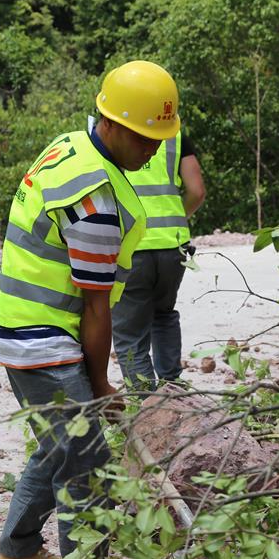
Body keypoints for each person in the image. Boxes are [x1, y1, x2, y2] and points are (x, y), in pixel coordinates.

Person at [0, 61, 182, 559]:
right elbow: (98, 311)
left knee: (61, 443)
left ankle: (19, 549)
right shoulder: (96, 200)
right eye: (146, 138)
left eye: (159, 139)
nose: (152, 150)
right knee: (88, 464)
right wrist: (100, 383)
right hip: (45, 338)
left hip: (27, 326)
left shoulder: (74, 144)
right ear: (114, 123)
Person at [111, 128, 205, 386]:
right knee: (163, 313)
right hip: (173, 245)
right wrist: (176, 219)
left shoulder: (110, 134)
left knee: (130, 335)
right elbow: (196, 191)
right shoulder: (174, 135)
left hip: (131, 246)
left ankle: (146, 405)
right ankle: (172, 389)